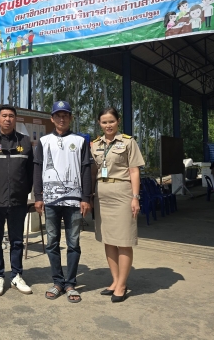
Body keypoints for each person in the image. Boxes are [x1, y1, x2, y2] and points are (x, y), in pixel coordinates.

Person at [33, 101, 92, 303]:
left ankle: (71, 283)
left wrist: (86, 198)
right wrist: (38, 196)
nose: (61, 118)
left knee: (73, 243)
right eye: (58, 115)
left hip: (74, 202)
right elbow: (37, 168)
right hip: (50, 201)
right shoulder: (44, 141)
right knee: (52, 243)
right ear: (52, 118)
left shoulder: (80, 141)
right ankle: (58, 281)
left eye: (65, 115)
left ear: (70, 118)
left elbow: (86, 169)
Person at [91, 107, 144, 303]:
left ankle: (122, 284)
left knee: (123, 240)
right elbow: (92, 171)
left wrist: (135, 197)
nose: (108, 125)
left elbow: (134, 171)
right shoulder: (95, 145)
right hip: (101, 194)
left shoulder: (128, 142)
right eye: (104, 122)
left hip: (122, 193)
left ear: (118, 121)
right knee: (109, 239)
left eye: (111, 121)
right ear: (99, 123)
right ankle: (114, 280)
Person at [0, 105, 34, 297]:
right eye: (4, 116)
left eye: (11, 116)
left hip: (18, 201)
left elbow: (30, 172)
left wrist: (23, 192)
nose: (7, 119)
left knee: (17, 240)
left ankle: (16, 275)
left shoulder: (25, 142)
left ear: (15, 119)